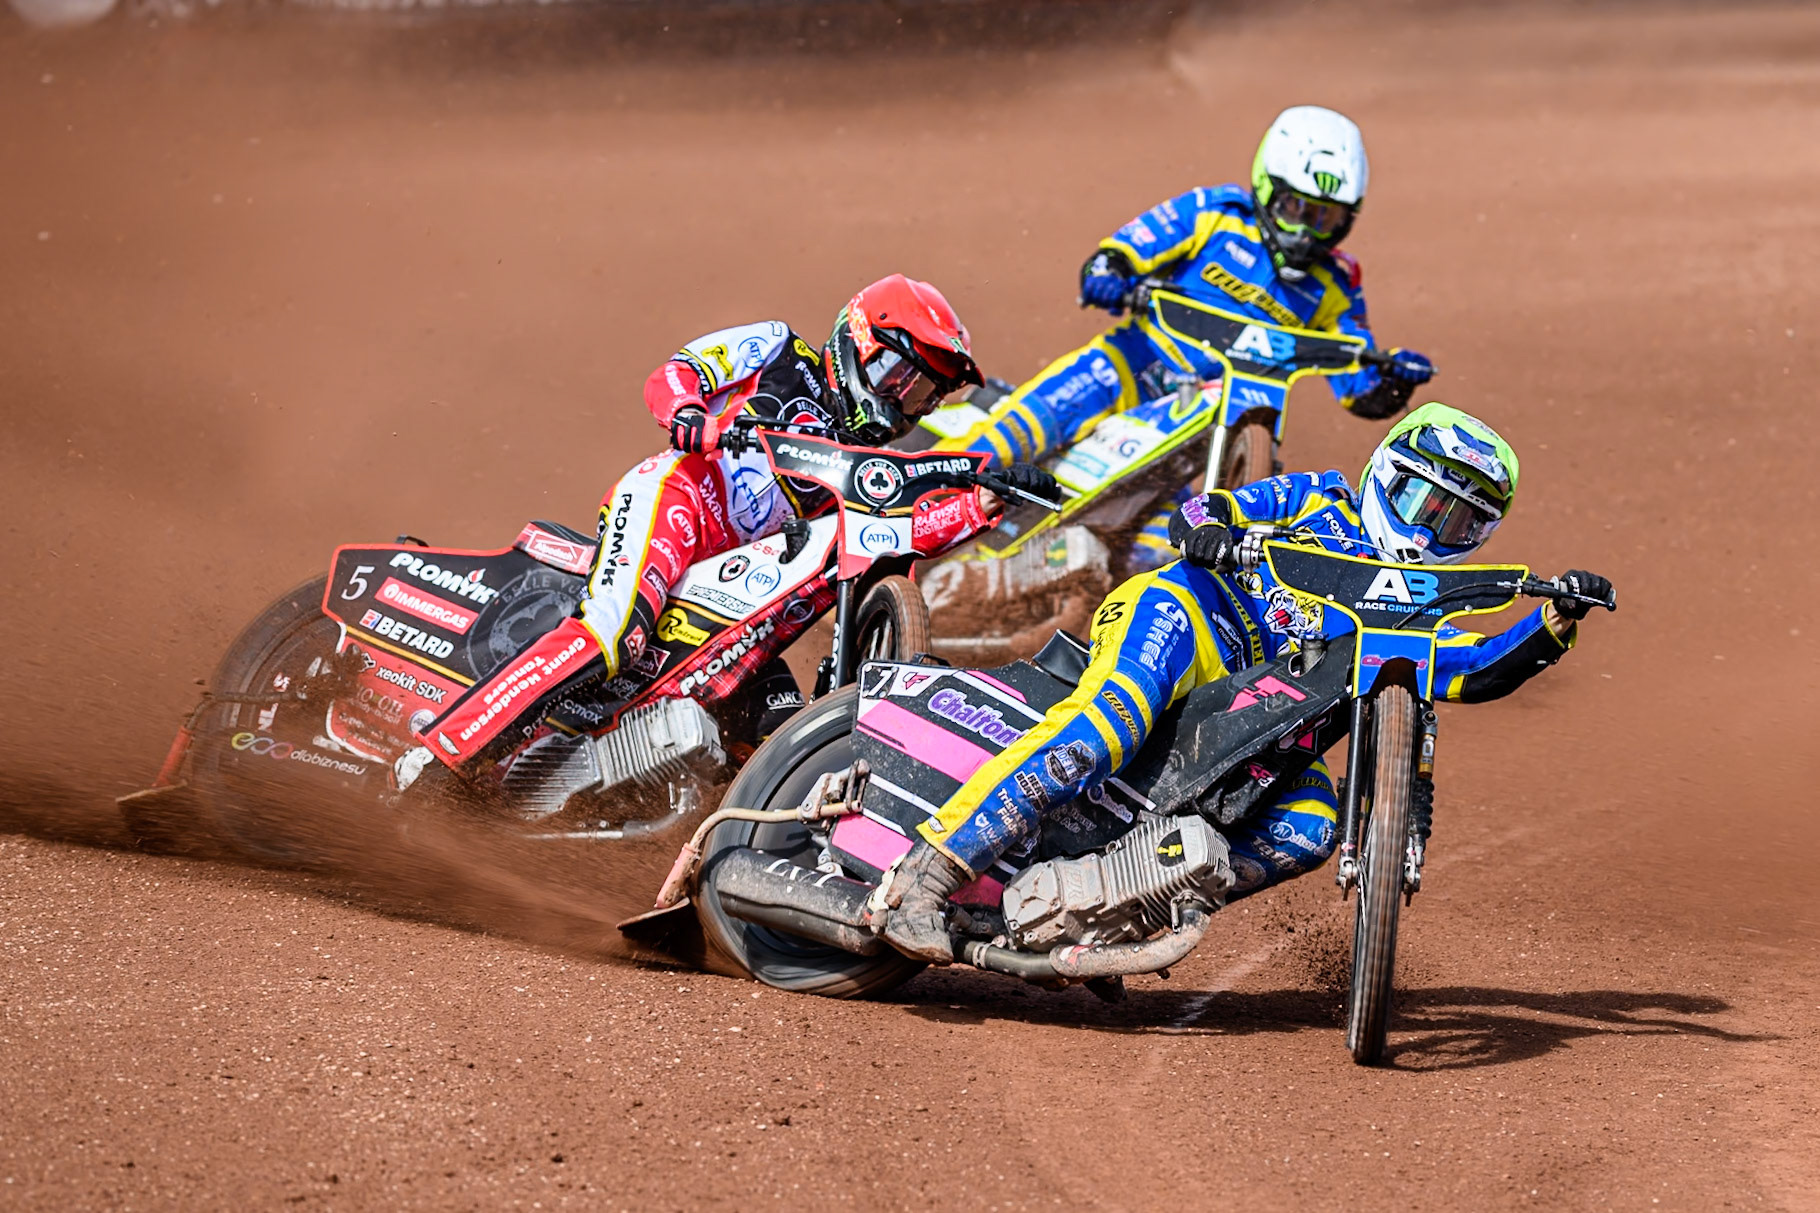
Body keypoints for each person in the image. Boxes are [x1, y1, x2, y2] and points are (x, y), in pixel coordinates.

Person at [880, 402, 1613, 962]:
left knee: (1312, 825)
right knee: (1107, 728)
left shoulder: (1424, 615)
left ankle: (1098, 909)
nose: (1431, 531)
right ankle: (927, 875)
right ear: (1389, 474)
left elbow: (1479, 671)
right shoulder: (1321, 497)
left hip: (1262, 733)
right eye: (1427, 503)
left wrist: (1555, 622)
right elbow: (1218, 505)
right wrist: (1214, 528)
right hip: (1192, 621)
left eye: (1458, 524)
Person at [395, 274, 1054, 788]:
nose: (904, 403)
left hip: (739, 580)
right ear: (862, 341)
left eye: (923, 397)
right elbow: (677, 374)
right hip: (681, 501)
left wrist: (989, 497)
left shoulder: (863, 466)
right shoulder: (777, 348)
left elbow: (904, 517)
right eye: (901, 379)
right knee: (612, 635)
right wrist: (687, 414)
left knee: (775, 733)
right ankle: (442, 759)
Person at [954, 105, 1436, 570]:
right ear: (1268, 188)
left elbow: (1359, 386)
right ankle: (913, 506)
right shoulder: (1214, 213)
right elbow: (1122, 251)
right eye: (1296, 209)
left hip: (1220, 425)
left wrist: (1394, 378)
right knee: (1011, 438)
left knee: (1186, 545)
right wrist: (1110, 273)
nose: (1306, 234)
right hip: (1134, 369)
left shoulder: (1338, 281)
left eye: (1324, 219)